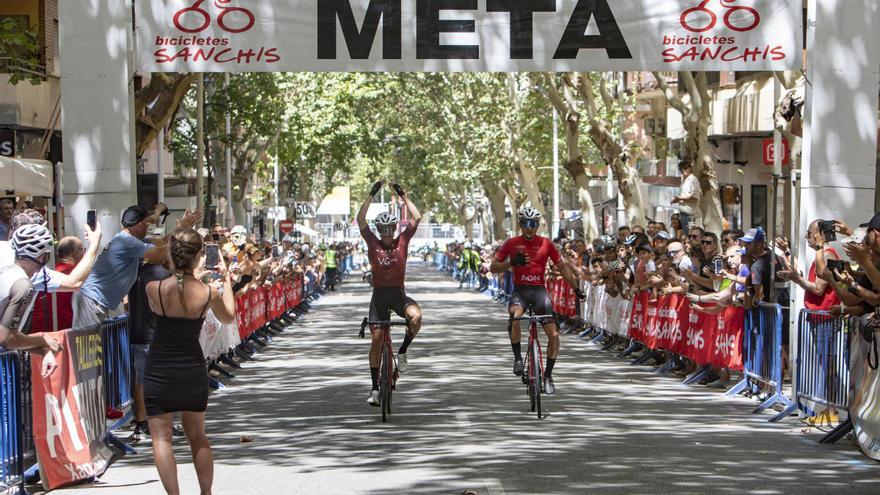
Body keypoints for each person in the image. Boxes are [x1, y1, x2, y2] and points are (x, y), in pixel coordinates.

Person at [144, 228, 236, 495]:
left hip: (159, 369)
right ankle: (205, 493)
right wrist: (226, 279)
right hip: (191, 369)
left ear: (172, 256)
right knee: (198, 436)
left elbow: (156, 266)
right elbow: (229, 317)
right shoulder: (209, 293)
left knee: (161, 438)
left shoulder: (154, 289)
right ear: (199, 256)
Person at [489, 206, 584, 395]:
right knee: (514, 318)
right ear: (521, 225)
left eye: (532, 224)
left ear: (538, 225)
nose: (529, 227)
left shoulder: (547, 244)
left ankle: (548, 375)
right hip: (520, 292)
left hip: (539, 292)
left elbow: (563, 268)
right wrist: (511, 263)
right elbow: (493, 267)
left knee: (554, 335)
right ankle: (517, 360)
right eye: (525, 224)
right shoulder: (512, 242)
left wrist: (575, 288)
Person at [73, 204, 200, 329]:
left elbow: (162, 242)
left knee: (95, 348)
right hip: (91, 300)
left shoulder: (130, 240)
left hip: (94, 300)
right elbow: (161, 255)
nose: (148, 227)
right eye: (146, 224)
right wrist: (184, 227)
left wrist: (181, 230)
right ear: (140, 225)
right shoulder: (127, 242)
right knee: (90, 349)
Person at [356, 181, 423, 406]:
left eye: (389, 229)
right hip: (379, 297)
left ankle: (402, 351)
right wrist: (371, 194)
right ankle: (375, 388)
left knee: (416, 316)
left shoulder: (402, 241)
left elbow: (417, 217)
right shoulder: (372, 242)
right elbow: (360, 220)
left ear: (394, 229)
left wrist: (403, 194)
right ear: (378, 230)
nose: (386, 233)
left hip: (397, 294)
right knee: (376, 341)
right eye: (382, 229)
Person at [0, 224, 63, 377]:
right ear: (40, 256)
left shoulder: (5, 273)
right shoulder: (23, 285)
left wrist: (42, 349)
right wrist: (42, 341)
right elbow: (7, 339)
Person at [128, 259, 171, 439]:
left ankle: (141, 420)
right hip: (155, 333)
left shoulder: (133, 274)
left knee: (142, 379)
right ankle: (156, 422)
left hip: (139, 333)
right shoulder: (160, 273)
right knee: (158, 381)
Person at [29, 236, 85, 332]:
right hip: (62, 333)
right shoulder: (76, 277)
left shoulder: (49, 275)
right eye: (82, 250)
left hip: (38, 331)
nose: (84, 254)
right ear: (74, 252)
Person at [672, 160, 702, 232]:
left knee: (690, 233)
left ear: (690, 168)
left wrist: (679, 199)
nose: (682, 170)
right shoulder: (685, 181)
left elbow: (695, 198)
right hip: (684, 213)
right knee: (686, 234)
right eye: (680, 169)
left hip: (690, 214)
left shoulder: (693, 180)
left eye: (685, 168)